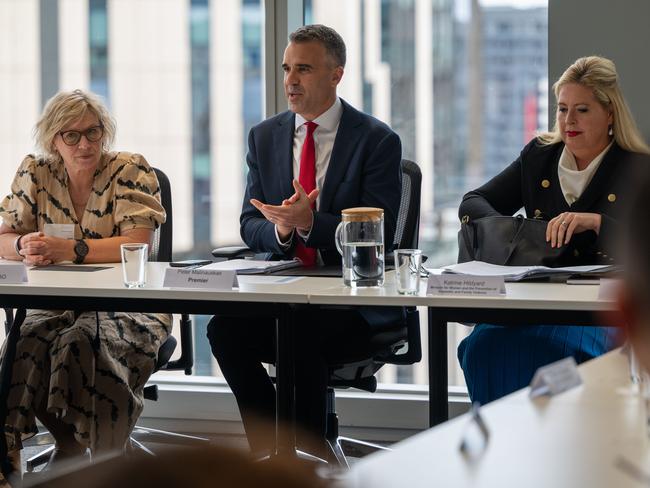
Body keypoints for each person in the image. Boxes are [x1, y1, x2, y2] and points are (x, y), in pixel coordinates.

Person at [207, 24, 405, 455]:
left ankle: (308, 458)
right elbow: (249, 222)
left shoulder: (376, 140)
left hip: (352, 305)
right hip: (284, 292)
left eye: (304, 69)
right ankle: (271, 451)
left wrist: (311, 223)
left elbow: (381, 235)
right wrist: (281, 228)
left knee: (298, 333)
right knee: (224, 330)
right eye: (286, 69)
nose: (290, 81)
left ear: (336, 74)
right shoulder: (264, 137)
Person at [457, 56, 650, 405]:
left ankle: (564, 448)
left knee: (548, 353)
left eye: (582, 110)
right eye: (562, 109)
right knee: (480, 347)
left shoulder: (636, 167)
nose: (568, 120)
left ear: (610, 114)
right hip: (531, 303)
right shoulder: (539, 157)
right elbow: (473, 204)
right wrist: (525, 230)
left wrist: (599, 223)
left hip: (595, 314)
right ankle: (505, 452)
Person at [0, 89, 170, 472]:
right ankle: (53, 451)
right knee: (23, 346)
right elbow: (4, 237)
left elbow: (136, 242)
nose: (84, 144)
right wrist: (25, 243)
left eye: (92, 132)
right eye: (71, 135)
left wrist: (69, 249)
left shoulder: (129, 169)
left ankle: (108, 460)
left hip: (128, 304)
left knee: (80, 342)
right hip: (54, 303)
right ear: (53, 140)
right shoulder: (36, 172)